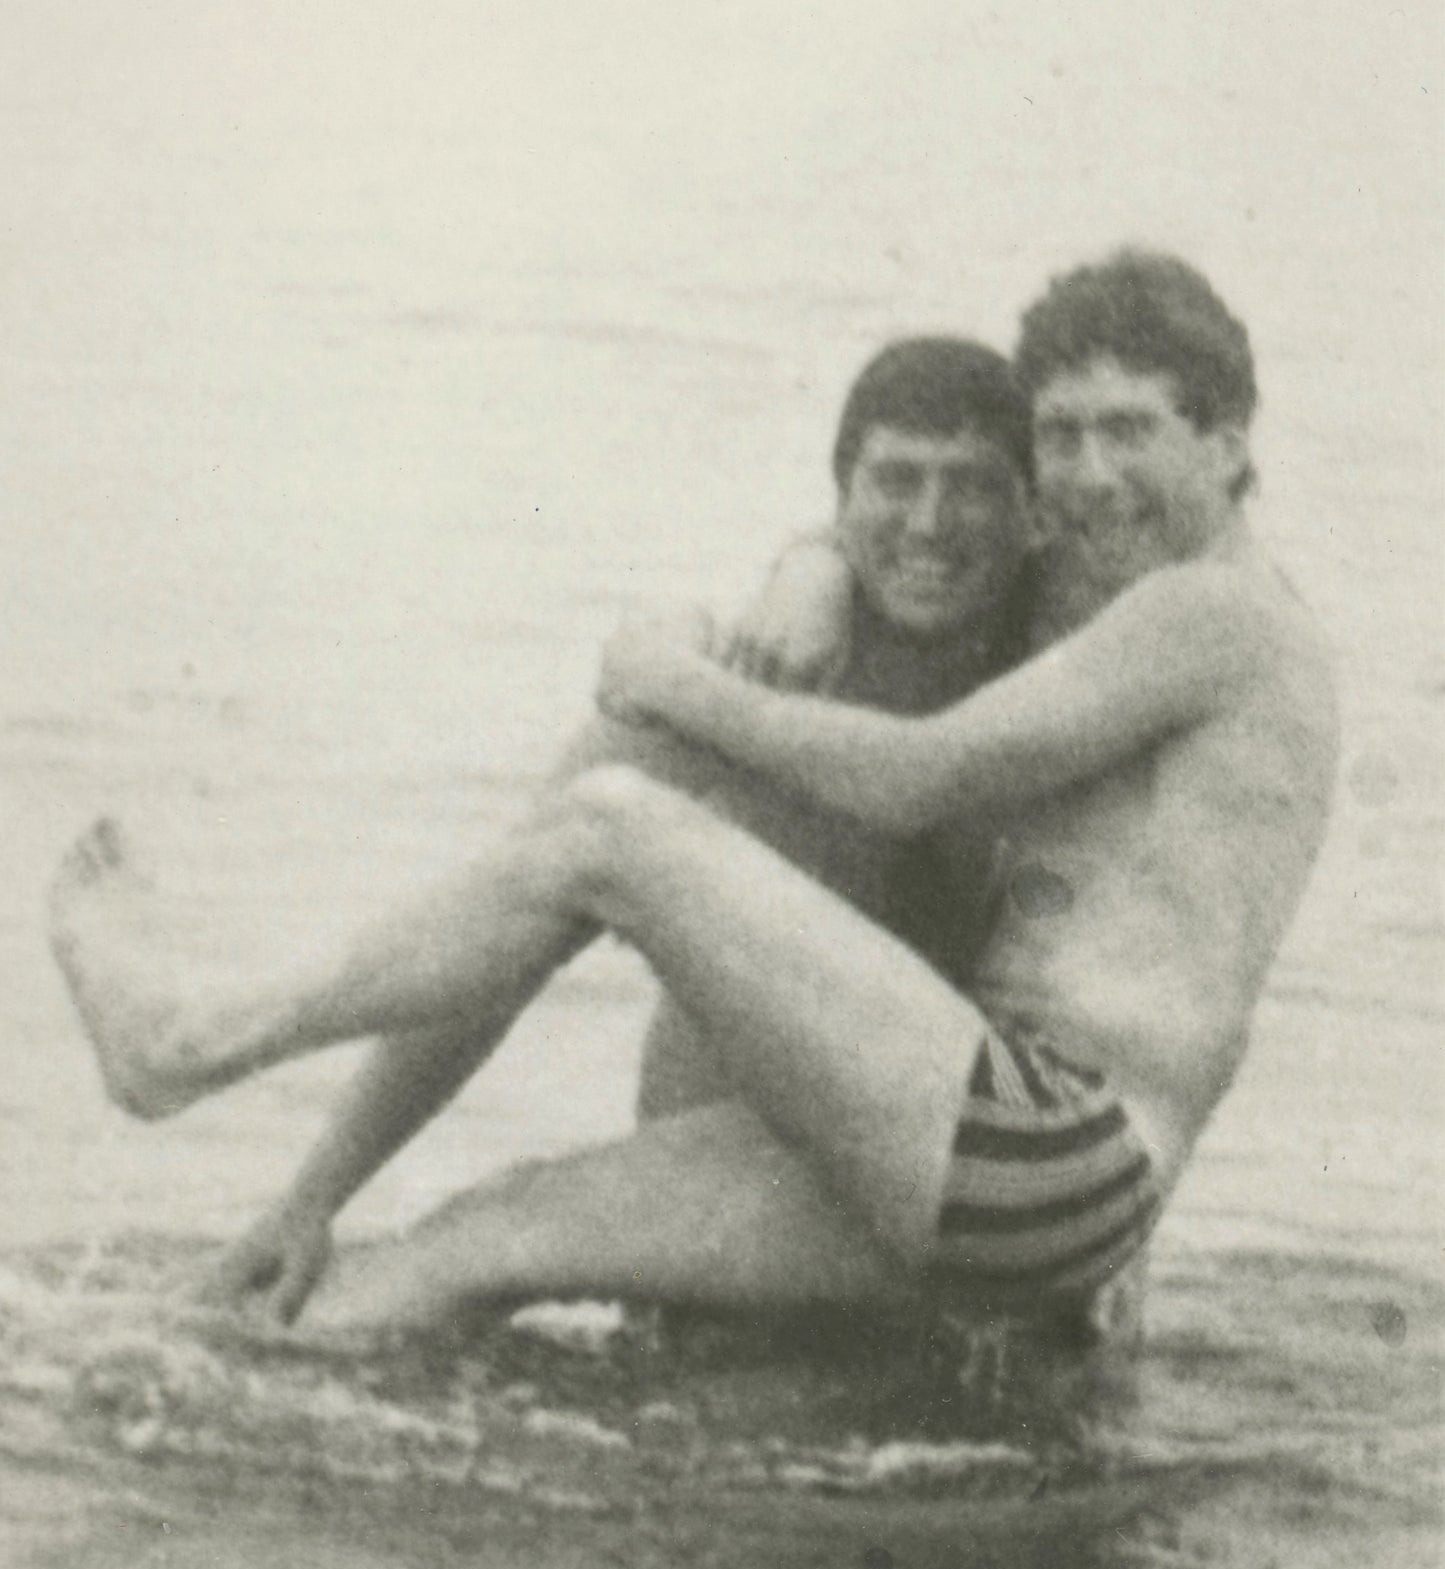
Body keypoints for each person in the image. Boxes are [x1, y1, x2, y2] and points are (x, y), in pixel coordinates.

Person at [50, 250, 1339, 1340]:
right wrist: (812, 566)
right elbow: (913, 536)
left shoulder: (1210, 615)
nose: (1090, 473)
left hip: (1047, 1153)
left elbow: (915, 776)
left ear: (1225, 445)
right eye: (1060, 434)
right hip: (990, 1171)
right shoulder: (1108, 591)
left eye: (1131, 431)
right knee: (485, 1230)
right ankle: (213, 1332)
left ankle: (194, 1042)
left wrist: (675, 679)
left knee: (616, 822)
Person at [50, 338, 1040, 1327]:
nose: (930, 522)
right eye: (895, 482)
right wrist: (313, 1197)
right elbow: (494, 957)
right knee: (614, 776)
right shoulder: (769, 672)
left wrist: (805, 563)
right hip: (709, 1214)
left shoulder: (1052, 684)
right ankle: (195, 1070)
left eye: (972, 488)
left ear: (1030, 513)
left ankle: (194, 1046)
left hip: (907, 1217)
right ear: (841, 499)